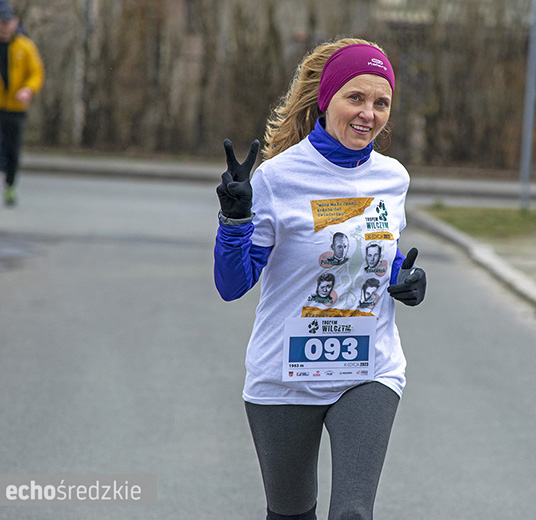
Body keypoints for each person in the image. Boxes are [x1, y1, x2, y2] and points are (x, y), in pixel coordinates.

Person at [213, 37, 427, 520]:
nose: (368, 113)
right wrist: (235, 222)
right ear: (327, 99)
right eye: (356, 97)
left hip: (369, 369)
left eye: (381, 103)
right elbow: (232, 285)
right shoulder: (277, 178)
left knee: (352, 513)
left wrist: (406, 277)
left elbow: (381, 253)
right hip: (284, 375)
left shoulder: (393, 178)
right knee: (290, 514)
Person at [0, 0, 44, 207]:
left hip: (15, 108)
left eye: (8, 22)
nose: (5, 26)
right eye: (1, 22)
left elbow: (36, 73)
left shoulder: (25, 47)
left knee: (13, 150)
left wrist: (28, 89)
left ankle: (10, 185)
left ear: (15, 23)